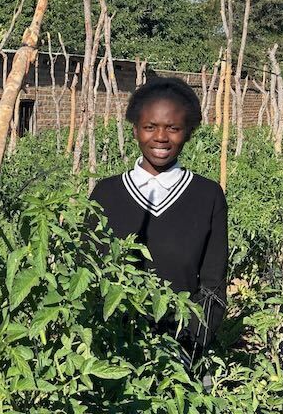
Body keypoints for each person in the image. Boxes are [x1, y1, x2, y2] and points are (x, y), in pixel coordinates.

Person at [89, 76, 228, 359]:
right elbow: (87, 270)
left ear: (188, 132)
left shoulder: (206, 195)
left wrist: (188, 350)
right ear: (135, 129)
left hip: (182, 351)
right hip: (111, 351)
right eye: (150, 127)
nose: (161, 138)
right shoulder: (106, 194)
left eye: (173, 128)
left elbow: (213, 286)